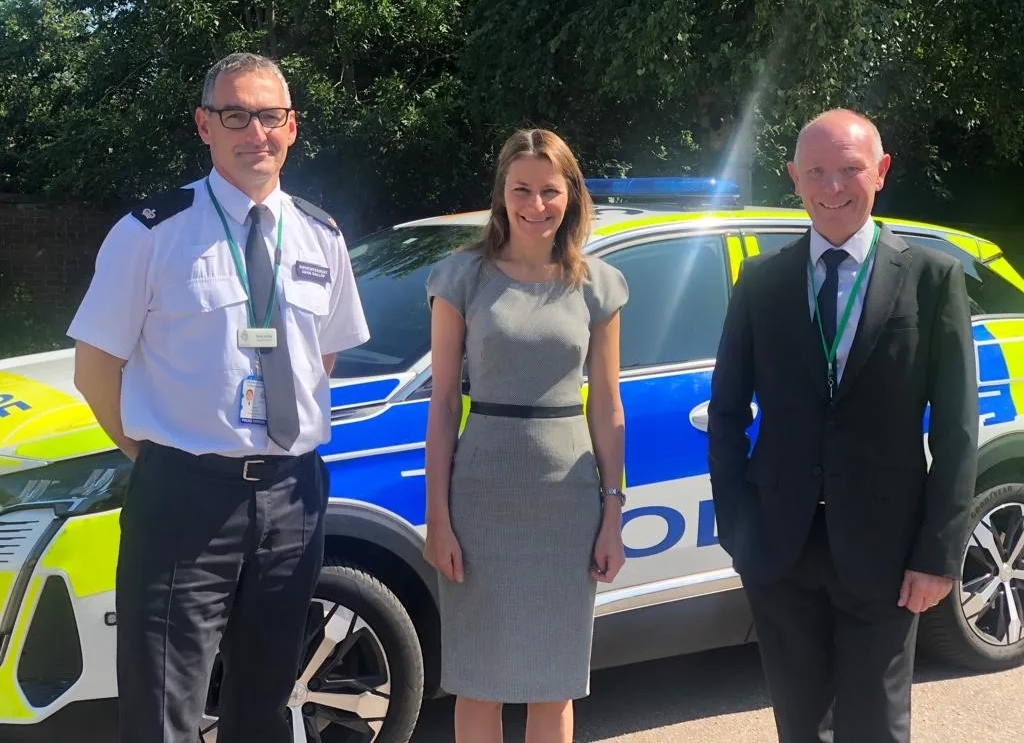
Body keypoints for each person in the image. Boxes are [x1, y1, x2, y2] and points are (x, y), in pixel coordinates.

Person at [67, 52, 369, 743]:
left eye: (269, 116)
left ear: (291, 127)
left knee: (266, 703)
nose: (253, 132)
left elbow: (321, 356)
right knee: (162, 709)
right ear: (205, 125)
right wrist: (152, 454)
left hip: (293, 497)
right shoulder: (151, 233)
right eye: (235, 114)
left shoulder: (323, 235)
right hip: (184, 498)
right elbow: (94, 369)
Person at [708, 108, 978, 743]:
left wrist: (938, 555)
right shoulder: (761, 280)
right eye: (817, 172)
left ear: (880, 172)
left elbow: (958, 428)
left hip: (886, 554)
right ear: (794, 179)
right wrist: (738, 528)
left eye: (850, 170)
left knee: (877, 726)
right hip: (779, 548)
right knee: (800, 725)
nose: (834, 188)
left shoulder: (932, 278)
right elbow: (725, 412)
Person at [423, 128, 628, 743]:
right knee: (479, 682)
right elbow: (440, 405)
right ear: (501, 193)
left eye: (549, 190)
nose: (536, 205)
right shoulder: (461, 276)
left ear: (571, 195)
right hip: (480, 495)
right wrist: (438, 516)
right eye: (522, 190)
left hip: (566, 502)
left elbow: (610, 407)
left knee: (553, 681)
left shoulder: (598, 285)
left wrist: (613, 510)